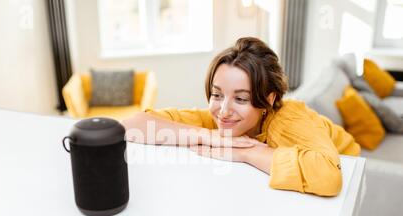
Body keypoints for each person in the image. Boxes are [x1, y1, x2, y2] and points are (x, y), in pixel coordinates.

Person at [121, 37, 361, 197]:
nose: (223, 111)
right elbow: (131, 125)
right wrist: (210, 136)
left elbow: (330, 176)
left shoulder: (287, 118)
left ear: (268, 100)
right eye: (217, 94)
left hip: (352, 176)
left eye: (241, 99)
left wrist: (245, 152)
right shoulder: (217, 121)